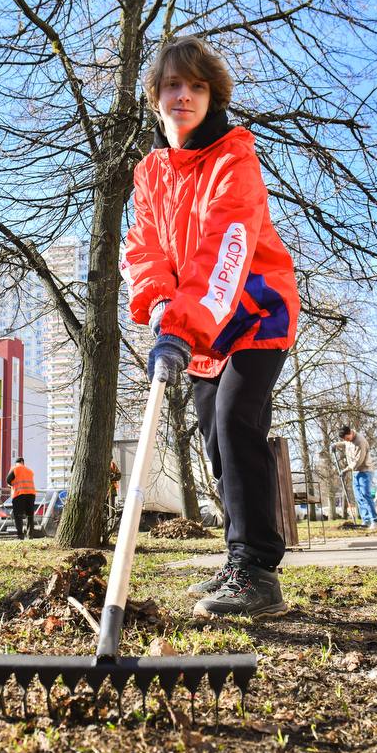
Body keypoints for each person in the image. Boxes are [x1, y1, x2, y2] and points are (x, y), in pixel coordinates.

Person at [122, 36, 300, 619]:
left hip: (254, 312)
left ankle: (258, 572)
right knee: (215, 442)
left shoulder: (233, 157)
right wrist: (158, 307)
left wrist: (183, 322)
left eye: (197, 87)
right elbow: (144, 248)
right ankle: (237, 556)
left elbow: (226, 245)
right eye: (172, 84)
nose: (184, 95)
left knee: (235, 419)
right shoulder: (150, 173)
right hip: (198, 327)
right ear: (155, 96)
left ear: (212, 98)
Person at [339, 426, 377, 529]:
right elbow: (345, 443)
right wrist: (336, 445)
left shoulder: (360, 441)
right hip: (355, 472)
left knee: (365, 495)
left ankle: (374, 521)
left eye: (347, 438)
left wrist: (345, 470)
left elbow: (358, 461)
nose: (346, 441)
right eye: (344, 439)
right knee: (359, 497)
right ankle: (366, 521)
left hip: (365, 471)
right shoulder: (348, 440)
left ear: (350, 433)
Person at [5, 457, 37, 539]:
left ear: (16, 463)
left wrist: (12, 485)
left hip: (19, 494)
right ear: (23, 462)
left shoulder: (15, 468)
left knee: (18, 515)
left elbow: (8, 480)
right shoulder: (29, 471)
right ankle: (30, 535)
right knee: (30, 516)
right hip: (31, 494)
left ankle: (20, 535)